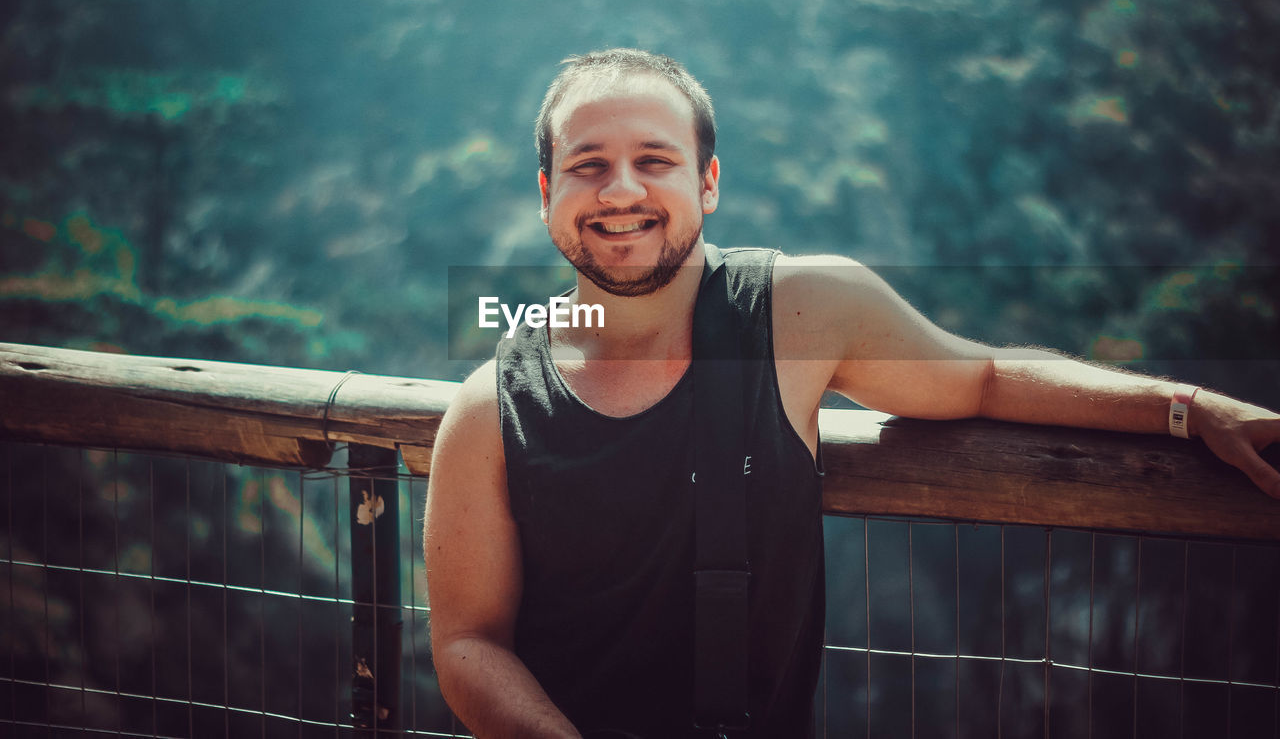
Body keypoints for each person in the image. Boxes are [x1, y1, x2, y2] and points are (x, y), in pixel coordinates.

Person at [423, 48, 1280, 738]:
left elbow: (981, 377)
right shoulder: (489, 409)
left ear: (708, 182)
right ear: (547, 196)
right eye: (588, 165)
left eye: (655, 160)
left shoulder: (798, 313)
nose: (621, 190)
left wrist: (1183, 408)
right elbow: (468, 641)